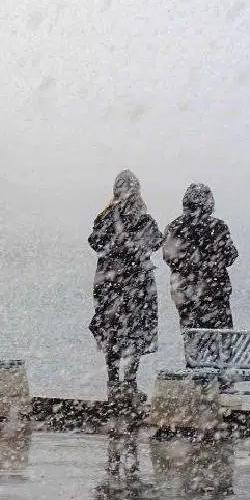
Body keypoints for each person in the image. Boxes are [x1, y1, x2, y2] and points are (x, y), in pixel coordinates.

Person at [88, 170, 164, 410]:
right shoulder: (143, 218)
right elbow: (156, 241)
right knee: (135, 333)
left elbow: (95, 241)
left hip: (109, 283)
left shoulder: (105, 217)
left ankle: (113, 383)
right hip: (137, 286)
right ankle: (129, 383)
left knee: (112, 332)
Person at [162, 183, 238, 329]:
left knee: (193, 340)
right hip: (215, 292)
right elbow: (230, 256)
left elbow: (169, 257)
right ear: (208, 202)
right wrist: (212, 264)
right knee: (221, 340)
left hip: (185, 294)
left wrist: (188, 268)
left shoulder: (174, 227)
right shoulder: (218, 226)